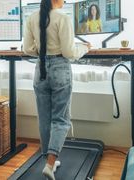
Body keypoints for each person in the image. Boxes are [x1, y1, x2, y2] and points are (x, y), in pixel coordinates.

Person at [23, 0, 90, 179]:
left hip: (40, 69)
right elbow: (69, 52)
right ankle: (50, 163)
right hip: (60, 68)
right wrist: (84, 47)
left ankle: (48, 162)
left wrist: (44, 50)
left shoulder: (31, 17)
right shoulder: (63, 18)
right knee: (60, 119)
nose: (66, 1)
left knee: (44, 118)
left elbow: (28, 49)